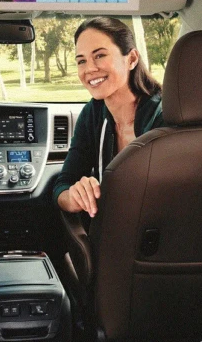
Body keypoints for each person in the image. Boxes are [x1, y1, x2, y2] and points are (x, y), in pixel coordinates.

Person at [54, 17, 163, 218]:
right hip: (113, 232)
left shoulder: (164, 117)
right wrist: (74, 196)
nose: (89, 69)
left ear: (131, 59)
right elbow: (63, 184)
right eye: (81, 61)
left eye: (100, 55)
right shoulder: (92, 114)